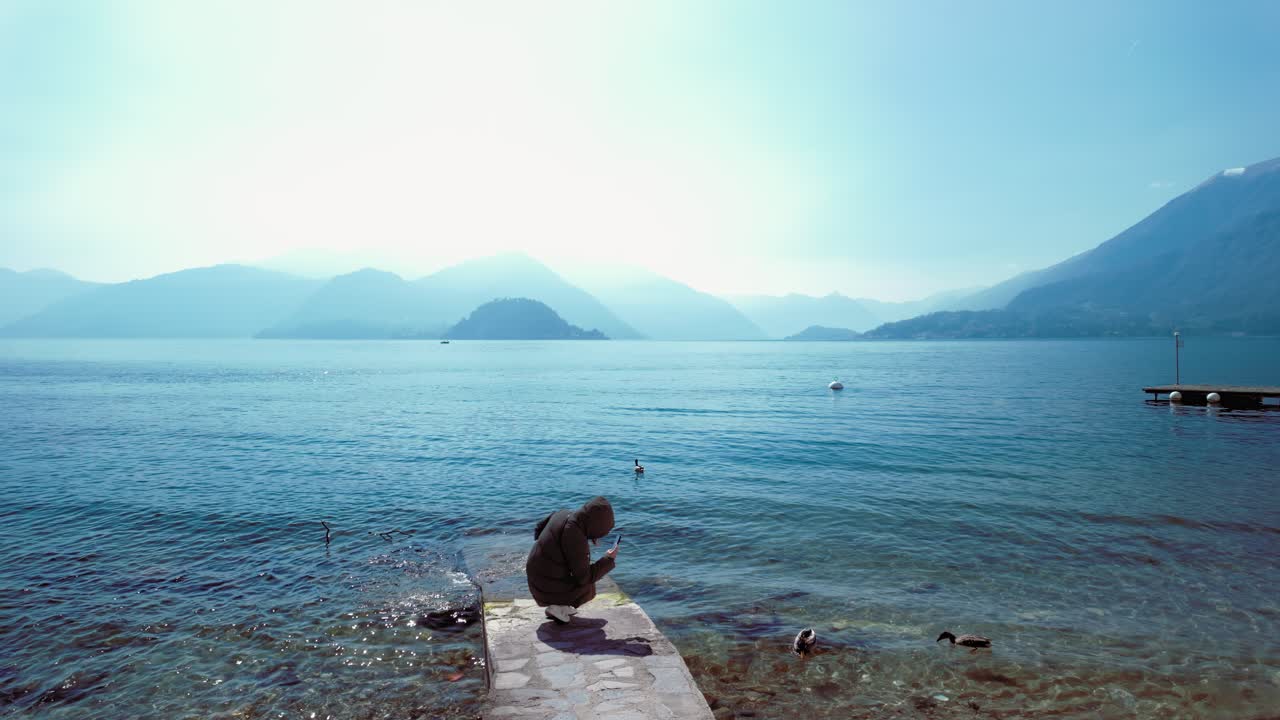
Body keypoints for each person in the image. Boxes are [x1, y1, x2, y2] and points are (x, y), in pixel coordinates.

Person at [525, 496, 618, 624]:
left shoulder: (563, 514)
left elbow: (538, 529)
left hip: (535, 577)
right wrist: (608, 559)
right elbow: (584, 578)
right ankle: (557, 606)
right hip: (543, 588)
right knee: (589, 587)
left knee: (576, 571)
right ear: (596, 525)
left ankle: (560, 604)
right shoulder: (575, 534)